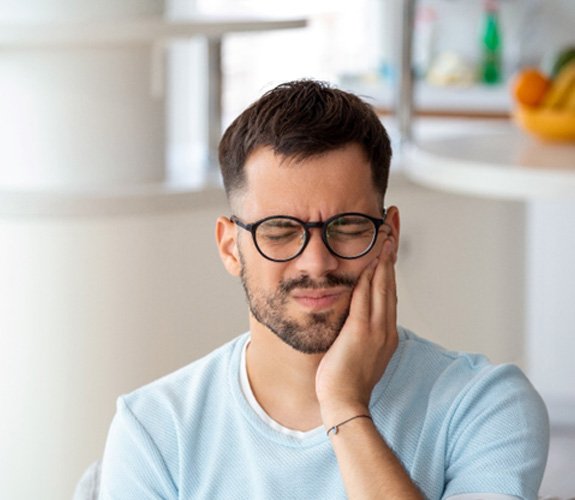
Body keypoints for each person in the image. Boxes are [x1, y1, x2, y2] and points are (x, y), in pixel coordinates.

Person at [98, 80, 549, 499]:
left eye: (348, 226)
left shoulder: (483, 405)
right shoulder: (155, 430)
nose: (316, 262)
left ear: (388, 236)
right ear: (230, 247)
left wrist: (344, 406)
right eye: (279, 230)